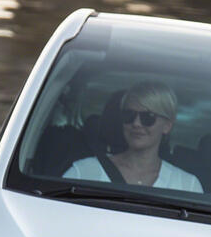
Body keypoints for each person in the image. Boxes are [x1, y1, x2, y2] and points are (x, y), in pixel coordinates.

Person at [62, 81, 203, 192]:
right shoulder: (82, 172)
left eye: (148, 117)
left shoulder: (187, 186)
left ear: (167, 125)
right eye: (129, 115)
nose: (136, 123)